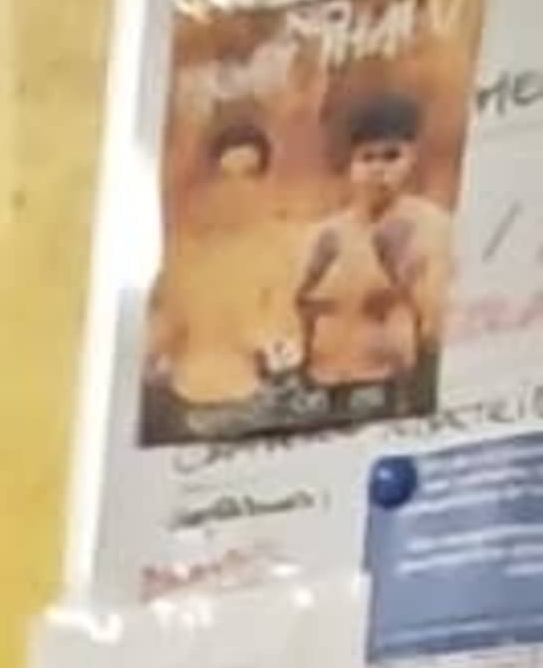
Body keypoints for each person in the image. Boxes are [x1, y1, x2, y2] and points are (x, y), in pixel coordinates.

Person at [293, 87, 455, 418]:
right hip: (321, 392)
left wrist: (400, 269)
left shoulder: (432, 226)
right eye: (367, 158)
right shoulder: (322, 236)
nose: (379, 169)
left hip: (392, 391)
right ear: (350, 165)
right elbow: (288, 321)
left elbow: (438, 327)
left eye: (391, 156)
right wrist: (309, 278)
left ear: (412, 158)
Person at [142, 103, 298, 432]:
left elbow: (284, 337)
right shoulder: (181, 250)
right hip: (181, 400)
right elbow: (162, 331)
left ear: (263, 181)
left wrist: (273, 344)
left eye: (249, 176)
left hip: (249, 400)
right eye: (226, 177)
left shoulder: (278, 250)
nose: (237, 189)